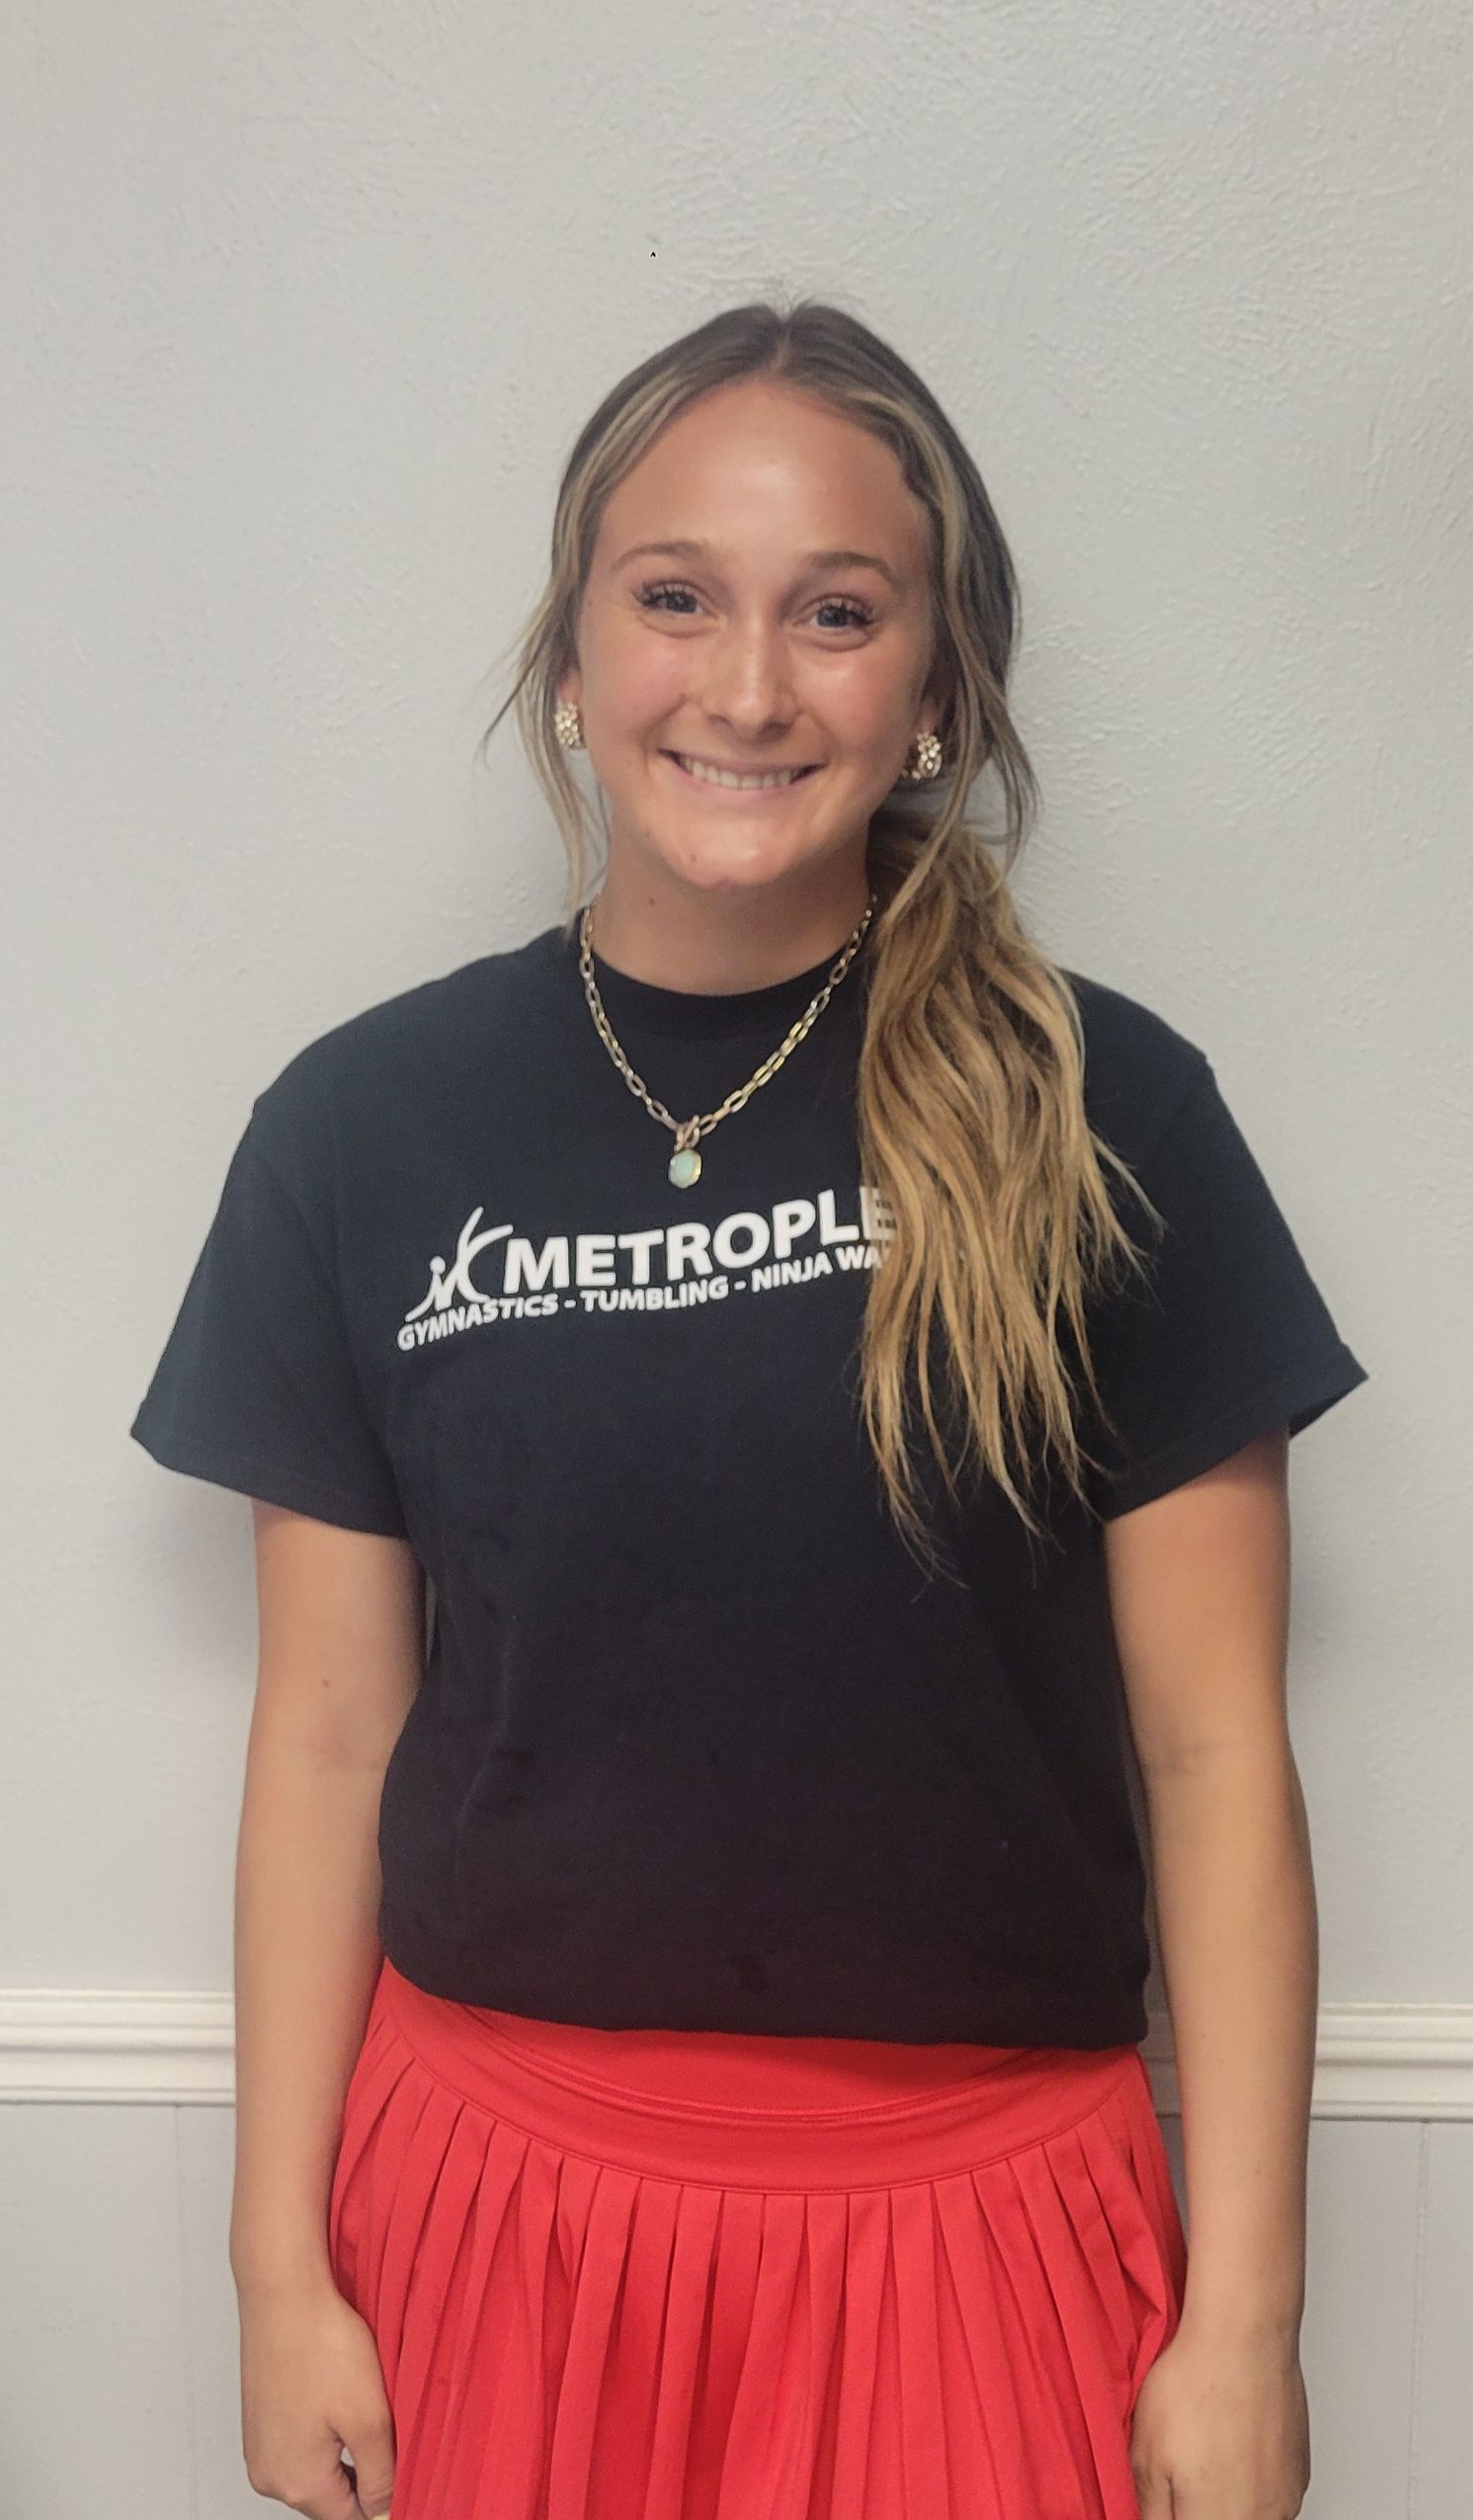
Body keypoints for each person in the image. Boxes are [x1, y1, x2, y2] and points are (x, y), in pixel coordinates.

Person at [129, 297, 1368, 2520]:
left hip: (982, 2214)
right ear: (576, 644)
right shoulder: (361, 1128)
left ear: (931, 687)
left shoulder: (1108, 1114)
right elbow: (323, 1737)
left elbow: (1208, 1751)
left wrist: (1244, 2327)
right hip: (495, 2206)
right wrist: (272, 2270)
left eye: (836, 613)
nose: (743, 685)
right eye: (673, 596)